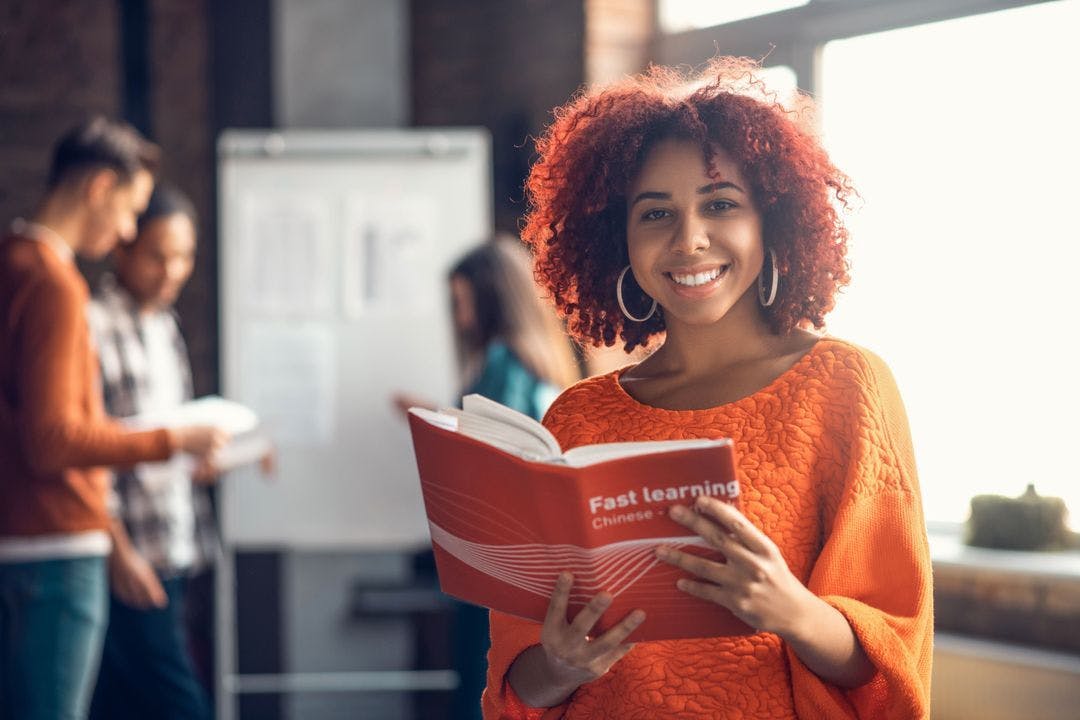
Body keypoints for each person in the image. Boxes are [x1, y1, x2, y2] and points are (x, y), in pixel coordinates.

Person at [483, 57, 933, 719]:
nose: (689, 240)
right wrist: (559, 666)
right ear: (619, 240)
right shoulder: (578, 417)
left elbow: (896, 660)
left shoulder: (848, 387)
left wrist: (793, 612)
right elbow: (517, 687)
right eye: (655, 214)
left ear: (771, 221)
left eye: (719, 204)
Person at [0, 117, 226, 720]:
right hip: (58, 539)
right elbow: (52, 441)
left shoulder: (13, 262)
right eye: (129, 210)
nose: (127, 228)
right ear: (99, 187)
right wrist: (172, 439)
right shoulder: (55, 283)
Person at [396, 235, 581, 720]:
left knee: (481, 687)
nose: (458, 319)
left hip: (495, 558)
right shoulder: (545, 358)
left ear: (492, 298)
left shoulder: (502, 360)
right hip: (538, 557)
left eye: (462, 303)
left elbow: (496, 449)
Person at [85, 184, 215, 719]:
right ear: (124, 250)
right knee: (182, 705)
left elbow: (168, 432)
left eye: (183, 256)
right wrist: (118, 550)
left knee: (121, 703)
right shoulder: (91, 324)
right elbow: (87, 448)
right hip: (128, 554)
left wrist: (202, 459)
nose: (173, 271)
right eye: (158, 256)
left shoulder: (166, 325)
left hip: (175, 545)